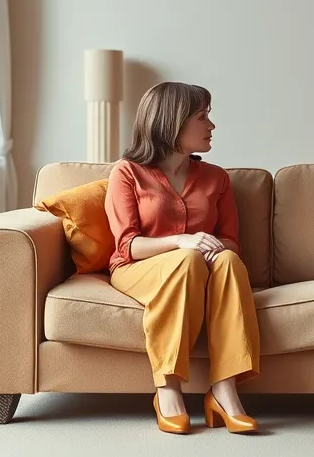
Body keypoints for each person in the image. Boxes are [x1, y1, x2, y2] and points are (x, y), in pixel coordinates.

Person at [105, 81, 261, 435]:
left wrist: (210, 251)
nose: (212, 126)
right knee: (187, 259)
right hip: (137, 268)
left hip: (201, 266)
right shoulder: (127, 173)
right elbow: (128, 245)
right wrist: (182, 241)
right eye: (202, 117)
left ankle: (224, 391)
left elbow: (231, 242)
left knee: (228, 261)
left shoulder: (216, 178)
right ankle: (168, 388)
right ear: (172, 121)